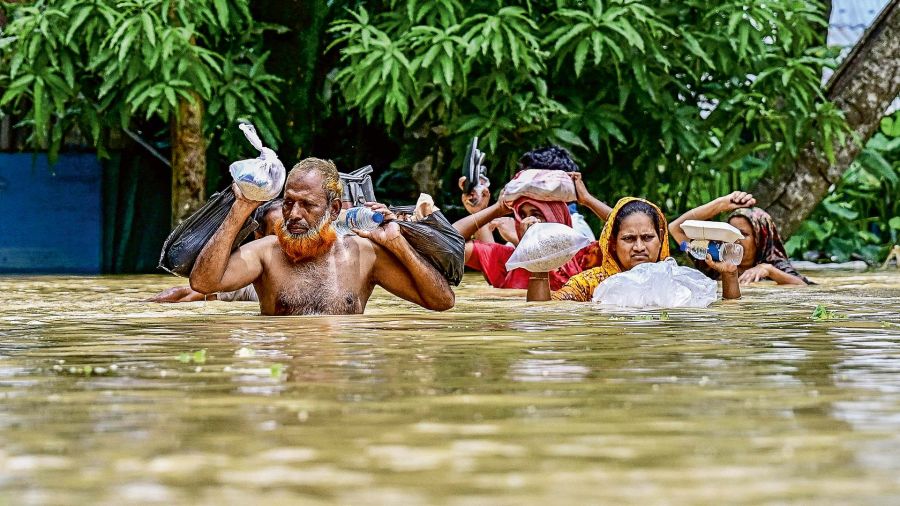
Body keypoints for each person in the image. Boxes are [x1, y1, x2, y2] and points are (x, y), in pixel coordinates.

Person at [188, 157, 455, 315]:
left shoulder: (363, 254)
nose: (293, 214)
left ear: (334, 208)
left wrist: (397, 244)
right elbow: (203, 283)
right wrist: (241, 208)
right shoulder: (266, 253)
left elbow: (442, 302)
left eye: (307, 205)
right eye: (288, 203)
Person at [526, 197, 741, 302]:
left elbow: (729, 316)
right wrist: (539, 269)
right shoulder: (589, 284)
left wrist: (730, 275)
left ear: (661, 240)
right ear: (612, 244)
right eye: (628, 239)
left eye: (647, 237)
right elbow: (544, 313)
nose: (639, 247)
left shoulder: (677, 280)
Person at [454, 169, 612, 290]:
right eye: (522, 214)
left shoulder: (584, 257)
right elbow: (448, 241)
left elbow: (631, 229)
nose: (528, 220)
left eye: (537, 214)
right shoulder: (508, 260)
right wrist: (497, 208)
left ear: (557, 216)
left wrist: (587, 199)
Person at [147, 199, 284, 303]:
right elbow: (187, 293)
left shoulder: (305, 268)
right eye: (277, 235)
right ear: (259, 237)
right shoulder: (252, 279)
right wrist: (141, 305)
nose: (286, 241)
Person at [669, 191, 811, 285]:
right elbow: (675, 228)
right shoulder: (714, 261)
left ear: (761, 240)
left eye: (743, 234)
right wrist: (720, 204)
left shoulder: (774, 266)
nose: (735, 238)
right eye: (731, 231)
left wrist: (769, 270)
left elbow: (803, 286)